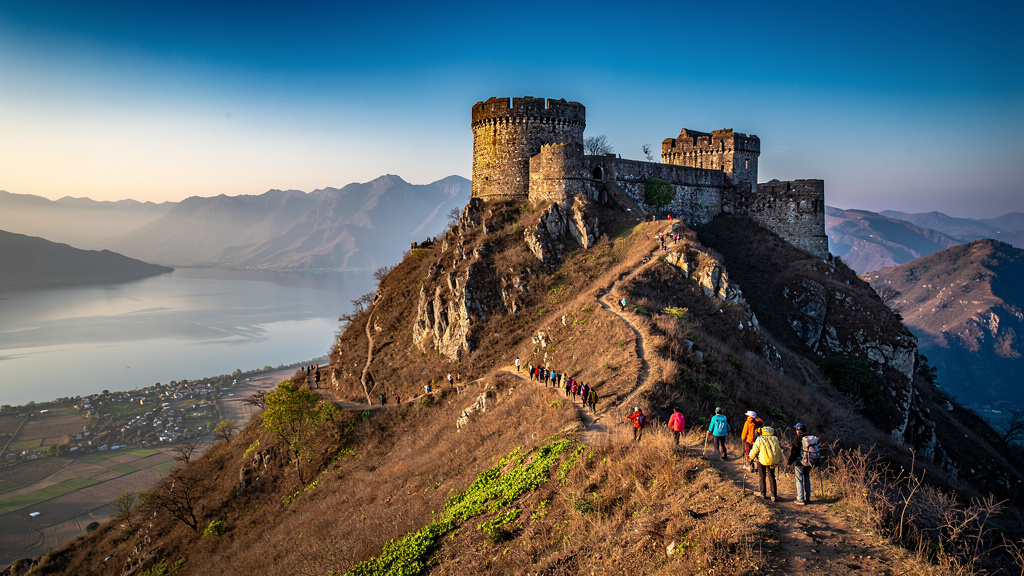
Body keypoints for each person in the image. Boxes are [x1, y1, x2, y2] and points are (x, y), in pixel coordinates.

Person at [749, 426, 783, 501]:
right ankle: (774, 495)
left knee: (762, 476)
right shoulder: (775, 438)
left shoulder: (760, 439)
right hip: (773, 461)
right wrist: (781, 459)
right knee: (772, 477)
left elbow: (755, 450)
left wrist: (750, 457)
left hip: (762, 460)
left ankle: (763, 494)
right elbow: (779, 450)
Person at [787, 423, 813, 505]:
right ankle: (808, 498)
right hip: (809, 461)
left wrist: (789, 462)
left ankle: (800, 499)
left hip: (799, 462)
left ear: (798, 430)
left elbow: (794, 452)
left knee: (799, 480)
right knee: (807, 479)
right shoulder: (811, 437)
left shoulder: (797, 438)